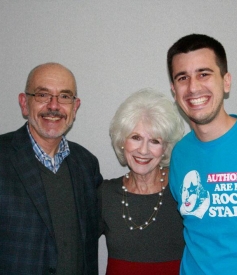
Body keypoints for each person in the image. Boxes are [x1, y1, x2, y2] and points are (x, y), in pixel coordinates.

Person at [167, 33, 237, 275]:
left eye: (204, 74)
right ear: (174, 91)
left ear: (226, 82)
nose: (193, 87)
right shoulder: (179, 155)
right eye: (183, 78)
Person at [0, 62, 103, 275]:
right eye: (42, 95)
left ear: (75, 107)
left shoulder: (87, 164)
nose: (54, 106)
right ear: (24, 103)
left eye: (65, 96)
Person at [98, 88, 185, 275]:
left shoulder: (183, 188)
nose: (143, 150)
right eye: (136, 138)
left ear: (166, 148)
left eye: (154, 141)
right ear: (122, 141)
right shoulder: (104, 193)